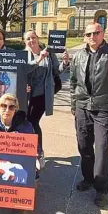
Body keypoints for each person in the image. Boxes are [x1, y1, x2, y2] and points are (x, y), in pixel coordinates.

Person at [70, 22, 108, 208]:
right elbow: (74, 81)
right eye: (89, 34)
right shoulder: (79, 55)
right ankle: (88, 179)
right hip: (82, 107)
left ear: (103, 33)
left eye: (96, 33)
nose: (92, 36)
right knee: (84, 147)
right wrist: (74, 106)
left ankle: (101, 189)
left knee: (102, 148)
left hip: (103, 109)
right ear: (85, 36)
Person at [24, 30, 70, 167]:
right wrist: (39, 59)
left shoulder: (49, 54)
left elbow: (57, 71)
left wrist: (65, 63)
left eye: (33, 37)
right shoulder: (22, 55)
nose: (31, 40)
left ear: (38, 38)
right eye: (28, 38)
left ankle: (38, 153)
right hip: (24, 95)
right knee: (25, 122)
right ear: (24, 41)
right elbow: (24, 70)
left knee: (32, 122)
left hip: (42, 95)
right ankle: (27, 151)